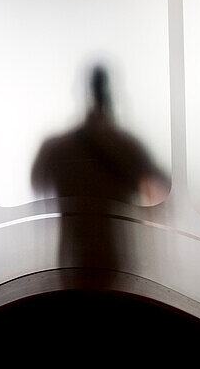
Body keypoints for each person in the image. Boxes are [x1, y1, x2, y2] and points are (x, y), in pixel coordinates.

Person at [31, 65, 168, 282]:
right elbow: (164, 185)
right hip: (118, 263)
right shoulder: (128, 145)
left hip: (71, 262)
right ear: (111, 93)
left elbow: (37, 184)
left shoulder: (56, 147)